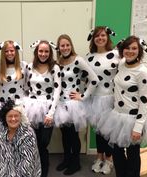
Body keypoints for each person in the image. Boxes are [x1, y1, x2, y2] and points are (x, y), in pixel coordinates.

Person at [97, 36, 147, 177]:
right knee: (117, 153)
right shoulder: (121, 64)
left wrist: (138, 127)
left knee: (133, 155)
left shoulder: (143, 72)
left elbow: (145, 102)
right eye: (127, 48)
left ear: (140, 51)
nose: (130, 51)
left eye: (134, 48)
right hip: (117, 115)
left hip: (133, 118)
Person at [55, 34, 99, 175]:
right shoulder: (59, 62)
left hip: (74, 104)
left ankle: (76, 163)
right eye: (62, 45)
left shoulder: (78, 60)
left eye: (67, 45)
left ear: (71, 45)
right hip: (61, 103)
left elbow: (94, 79)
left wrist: (84, 96)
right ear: (59, 47)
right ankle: (67, 159)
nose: (65, 47)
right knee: (65, 134)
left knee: (74, 136)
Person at [85, 26, 120, 174]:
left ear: (108, 37)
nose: (100, 38)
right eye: (97, 36)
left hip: (110, 98)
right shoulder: (89, 57)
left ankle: (108, 160)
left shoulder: (116, 55)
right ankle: (99, 158)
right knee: (98, 131)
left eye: (103, 35)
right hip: (95, 98)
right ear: (93, 39)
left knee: (109, 131)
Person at [24, 40, 61, 177]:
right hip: (31, 107)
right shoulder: (29, 67)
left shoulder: (55, 68)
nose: (43, 54)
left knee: (44, 143)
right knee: (33, 141)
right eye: (41, 51)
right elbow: (26, 87)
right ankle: (33, 170)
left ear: (50, 53)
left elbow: (57, 91)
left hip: (47, 108)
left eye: (46, 51)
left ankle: (43, 171)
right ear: (36, 52)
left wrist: (50, 113)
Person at [0, 99, 41, 177]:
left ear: (21, 117)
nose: (13, 119)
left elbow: (28, 162)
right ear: (5, 118)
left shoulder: (28, 134)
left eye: (16, 116)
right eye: (10, 116)